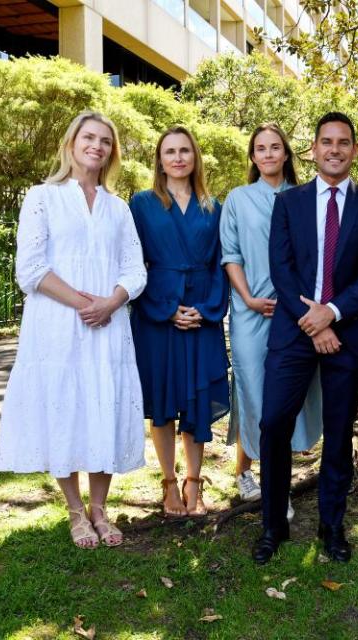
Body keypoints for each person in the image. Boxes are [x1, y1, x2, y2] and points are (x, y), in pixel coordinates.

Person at [0, 111, 147, 548]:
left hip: (109, 324)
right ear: (71, 143)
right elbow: (31, 269)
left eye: (104, 141)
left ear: (111, 152)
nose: (96, 146)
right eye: (88, 138)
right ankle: (75, 511)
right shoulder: (43, 197)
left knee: (103, 406)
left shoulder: (119, 208)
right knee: (64, 405)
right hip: (58, 324)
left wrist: (113, 301)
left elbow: (135, 269)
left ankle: (100, 509)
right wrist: (87, 304)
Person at [252, 112, 358, 565]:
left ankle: (332, 526)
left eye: (343, 142)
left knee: (337, 433)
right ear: (313, 148)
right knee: (273, 422)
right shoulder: (289, 203)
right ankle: (273, 524)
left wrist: (330, 314)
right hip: (293, 332)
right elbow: (281, 267)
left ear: (353, 150)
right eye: (326, 141)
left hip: (345, 336)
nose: (334, 149)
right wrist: (312, 321)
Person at [220, 123, 322, 518]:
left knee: (287, 397)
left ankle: (276, 481)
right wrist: (247, 298)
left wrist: (299, 305)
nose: (267, 154)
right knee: (252, 389)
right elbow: (231, 253)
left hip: (295, 312)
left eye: (274, 147)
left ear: (285, 154)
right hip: (250, 310)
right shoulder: (238, 199)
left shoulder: (303, 198)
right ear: (252, 156)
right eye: (260, 148)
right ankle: (252, 476)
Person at [130, 125, 229, 518]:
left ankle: (194, 483)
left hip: (201, 309)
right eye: (169, 151)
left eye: (184, 150)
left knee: (196, 398)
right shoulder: (140, 203)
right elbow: (132, 263)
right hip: (158, 311)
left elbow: (222, 262)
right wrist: (167, 308)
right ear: (160, 159)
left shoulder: (213, 205)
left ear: (194, 157)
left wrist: (204, 310)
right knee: (164, 402)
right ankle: (168, 484)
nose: (177, 158)